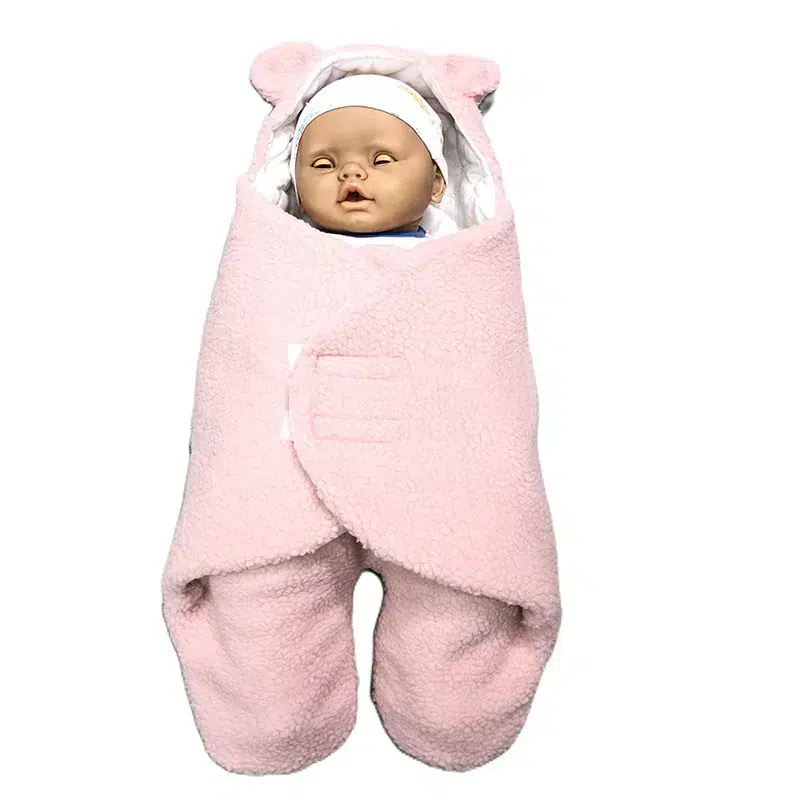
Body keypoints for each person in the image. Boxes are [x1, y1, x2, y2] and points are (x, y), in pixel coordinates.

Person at [289, 74, 448, 246]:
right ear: (299, 192)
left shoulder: (450, 255)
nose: (351, 170)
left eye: (382, 161)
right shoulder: (290, 248)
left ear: (435, 184)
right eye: (324, 165)